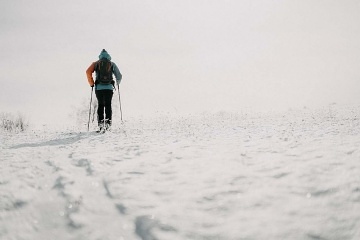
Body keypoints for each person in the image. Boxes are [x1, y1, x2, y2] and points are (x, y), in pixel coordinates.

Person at [86, 49, 122, 130]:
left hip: (99, 88)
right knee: (108, 105)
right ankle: (108, 125)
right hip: (109, 88)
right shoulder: (112, 64)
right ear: (108, 56)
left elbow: (88, 72)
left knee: (100, 105)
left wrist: (91, 83)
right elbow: (119, 76)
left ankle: (101, 125)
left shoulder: (96, 64)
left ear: (100, 55)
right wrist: (117, 83)